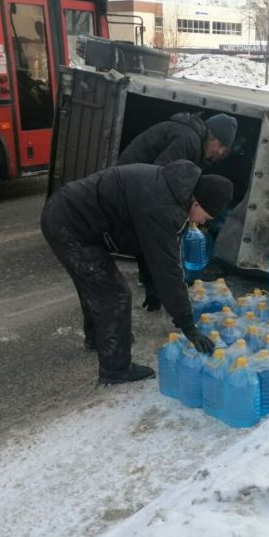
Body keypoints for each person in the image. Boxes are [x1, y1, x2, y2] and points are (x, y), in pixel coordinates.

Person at [41, 160, 233, 385]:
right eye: (205, 217)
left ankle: (99, 338)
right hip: (70, 224)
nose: (201, 223)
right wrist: (188, 326)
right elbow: (168, 269)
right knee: (113, 293)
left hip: (69, 213)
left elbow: (145, 243)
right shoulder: (164, 208)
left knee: (95, 284)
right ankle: (116, 370)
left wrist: (151, 285)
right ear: (198, 203)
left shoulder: (174, 188)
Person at [118, 112, 238, 170]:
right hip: (126, 180)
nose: (220, 152)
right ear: (211, 135)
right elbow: (162, 174)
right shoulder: (189, 140)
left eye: (224, 149)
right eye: (220, 144)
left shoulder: (195, 140)